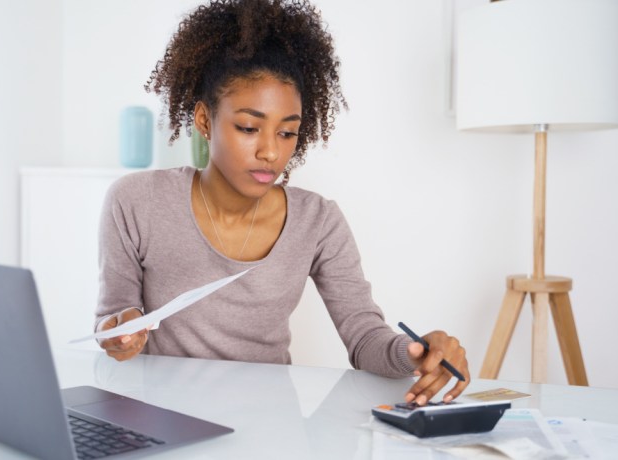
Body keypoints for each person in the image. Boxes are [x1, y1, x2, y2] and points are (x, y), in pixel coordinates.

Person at [95, 0, 469, 405]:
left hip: (270, 424)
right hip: (164, 417)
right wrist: (122, 334)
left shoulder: (318, 221)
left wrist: (412, 352)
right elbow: (114, 318)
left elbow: (364, 337)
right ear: (204, 120)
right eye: (249, 127)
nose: (270, 152)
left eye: (287, 133)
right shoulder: (136, 201)